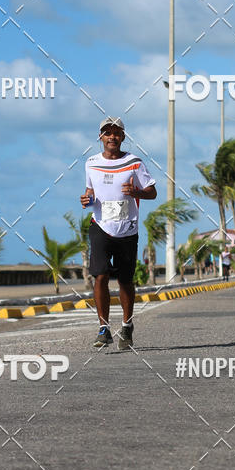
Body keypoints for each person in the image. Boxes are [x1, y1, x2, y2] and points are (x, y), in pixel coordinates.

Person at [81, 117, 156, 349]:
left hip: (127, 228)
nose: (112, 136)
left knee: (125, 280)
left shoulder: (135, 162)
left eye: (116, 132)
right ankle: (104, 328)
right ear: (100, 137)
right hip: (100, 225)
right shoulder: (91, 163)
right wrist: (86, 200)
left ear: (123, 137)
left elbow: (152, 192)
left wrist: (136, 191)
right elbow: (90, 191)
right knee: (100, 275)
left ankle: (126, 325)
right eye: (107, 132)